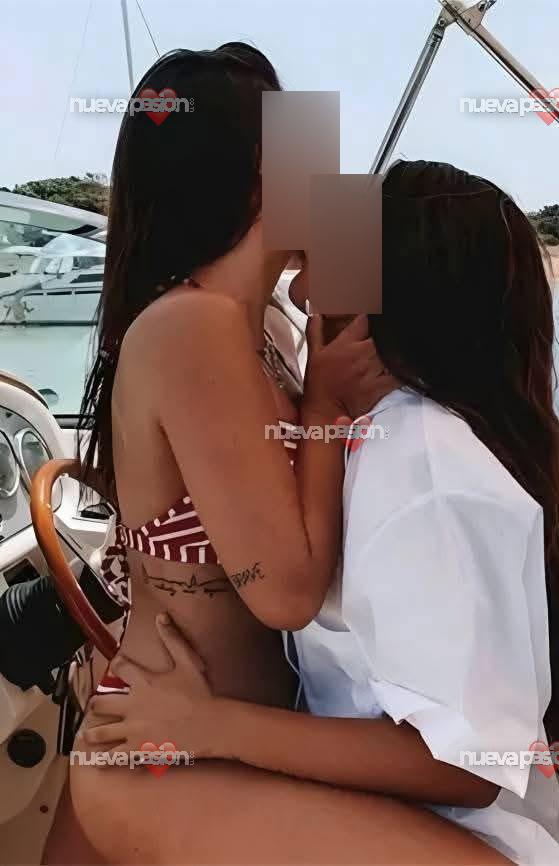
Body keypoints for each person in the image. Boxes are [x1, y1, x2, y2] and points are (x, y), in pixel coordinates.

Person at [46, 43, 508, 866]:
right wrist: (322, 408)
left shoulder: (262, 325)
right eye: (305, 144)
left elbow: (380, 317)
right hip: (178, 740)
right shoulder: (194, 327)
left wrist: (326, 256)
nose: (329, 172)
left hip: (242, 730)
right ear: (257, 173)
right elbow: (286, 594)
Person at [86, 161, 559, 866]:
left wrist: (210, 725)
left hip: (461, 830)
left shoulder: (423, 470)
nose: (300, 286)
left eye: (337, 250)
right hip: (386, 805)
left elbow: (465, 768)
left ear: (390, 289)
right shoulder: (374, 434)